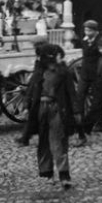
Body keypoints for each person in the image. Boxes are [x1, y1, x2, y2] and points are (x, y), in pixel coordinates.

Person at [27, 44, 75, 189]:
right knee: (43, 141)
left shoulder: (63, 72)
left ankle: (64, 175)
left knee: (58, 141)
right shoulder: (39, 72)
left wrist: (77, 111)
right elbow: (31, 90)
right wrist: (27, 107)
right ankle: (46, 172)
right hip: (41, 109)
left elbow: (71, 93)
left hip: (57, 108)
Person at [75, 35, 102, 146]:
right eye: (99, 48)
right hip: (100, 83)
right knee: (96, 107)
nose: (100, 50)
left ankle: (87, 126)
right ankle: (87, 127)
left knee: (101, 107)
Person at [73, 20, 101, 143]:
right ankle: (80, 123)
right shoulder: (84, 41)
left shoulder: (100, 41)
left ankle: (99, 123)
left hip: (96, 73)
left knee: (96, 98)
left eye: (89, 30)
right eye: (86, 30)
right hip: (85, 73)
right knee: (80, 96)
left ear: (95, 31)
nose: (87, 32)